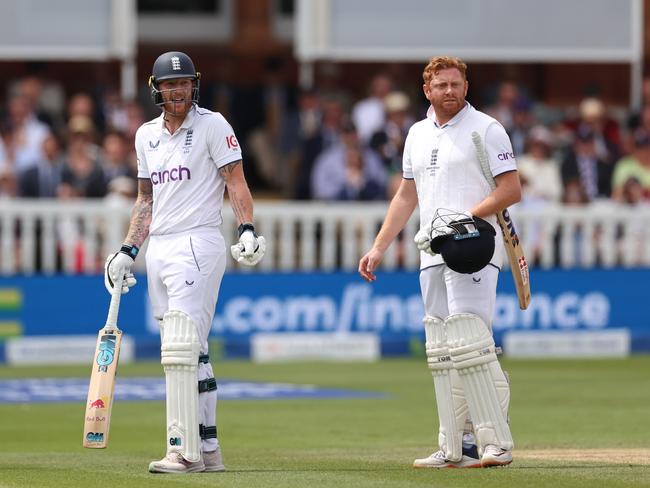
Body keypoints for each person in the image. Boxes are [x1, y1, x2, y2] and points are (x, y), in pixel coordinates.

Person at [103, 51, 266, 474]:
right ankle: (208, 450)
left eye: (185, 83)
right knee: (192, 351)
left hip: (199, 241)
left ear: (195, 84)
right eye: (170, 84)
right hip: (159, 247)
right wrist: (127, 250)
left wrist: (246, 227)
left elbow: (236, 180)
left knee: (181, 348)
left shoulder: (213, 124)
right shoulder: (145, 136)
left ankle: (183, 450)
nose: (178, 91)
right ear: (156, 89)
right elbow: (145, 199)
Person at [358, 56, 520, 469]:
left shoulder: (487, 129)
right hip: (431, 250)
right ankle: (454, 445)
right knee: (443, 349)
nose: (449, 91)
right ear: (426, 90)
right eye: (440, 85)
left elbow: (511, 189)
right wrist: (378, 247)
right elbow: (405, 197)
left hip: (473, 248)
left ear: (466, 86)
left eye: (455, 84)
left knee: (471, 341)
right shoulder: (415, 133)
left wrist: (469, 217)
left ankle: (495, 442)